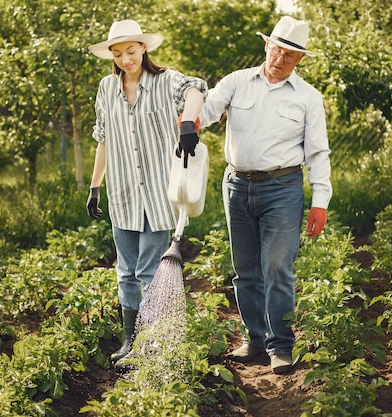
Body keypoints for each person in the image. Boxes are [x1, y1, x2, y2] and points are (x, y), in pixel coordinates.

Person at [198, 16, 332, 374]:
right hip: (237, 185)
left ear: (300, 59)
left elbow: (318, 152)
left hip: (282, 188)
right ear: (266, 45)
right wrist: (189, 116)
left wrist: (320, 199)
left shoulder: (308, 97)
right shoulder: (237, 82)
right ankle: (254, 339)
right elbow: (207, 111)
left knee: (276, 267)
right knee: (245, 269)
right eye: (278, 49)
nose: (281, 59)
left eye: (290, 55)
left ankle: (281, 344)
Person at [86, 19, 207, 364]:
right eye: (119, 53)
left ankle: (153, 344)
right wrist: (95, 187)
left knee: (149, 272)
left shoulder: (166, 81)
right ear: (112, 55)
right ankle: (129, 341)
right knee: (125, 272)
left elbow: (196, 89)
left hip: (158, 194)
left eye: (132, 51)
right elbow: (103, 140)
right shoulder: (107, 88)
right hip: (122, 193)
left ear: (144, 49)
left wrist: (186, 122)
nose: (126, 59)